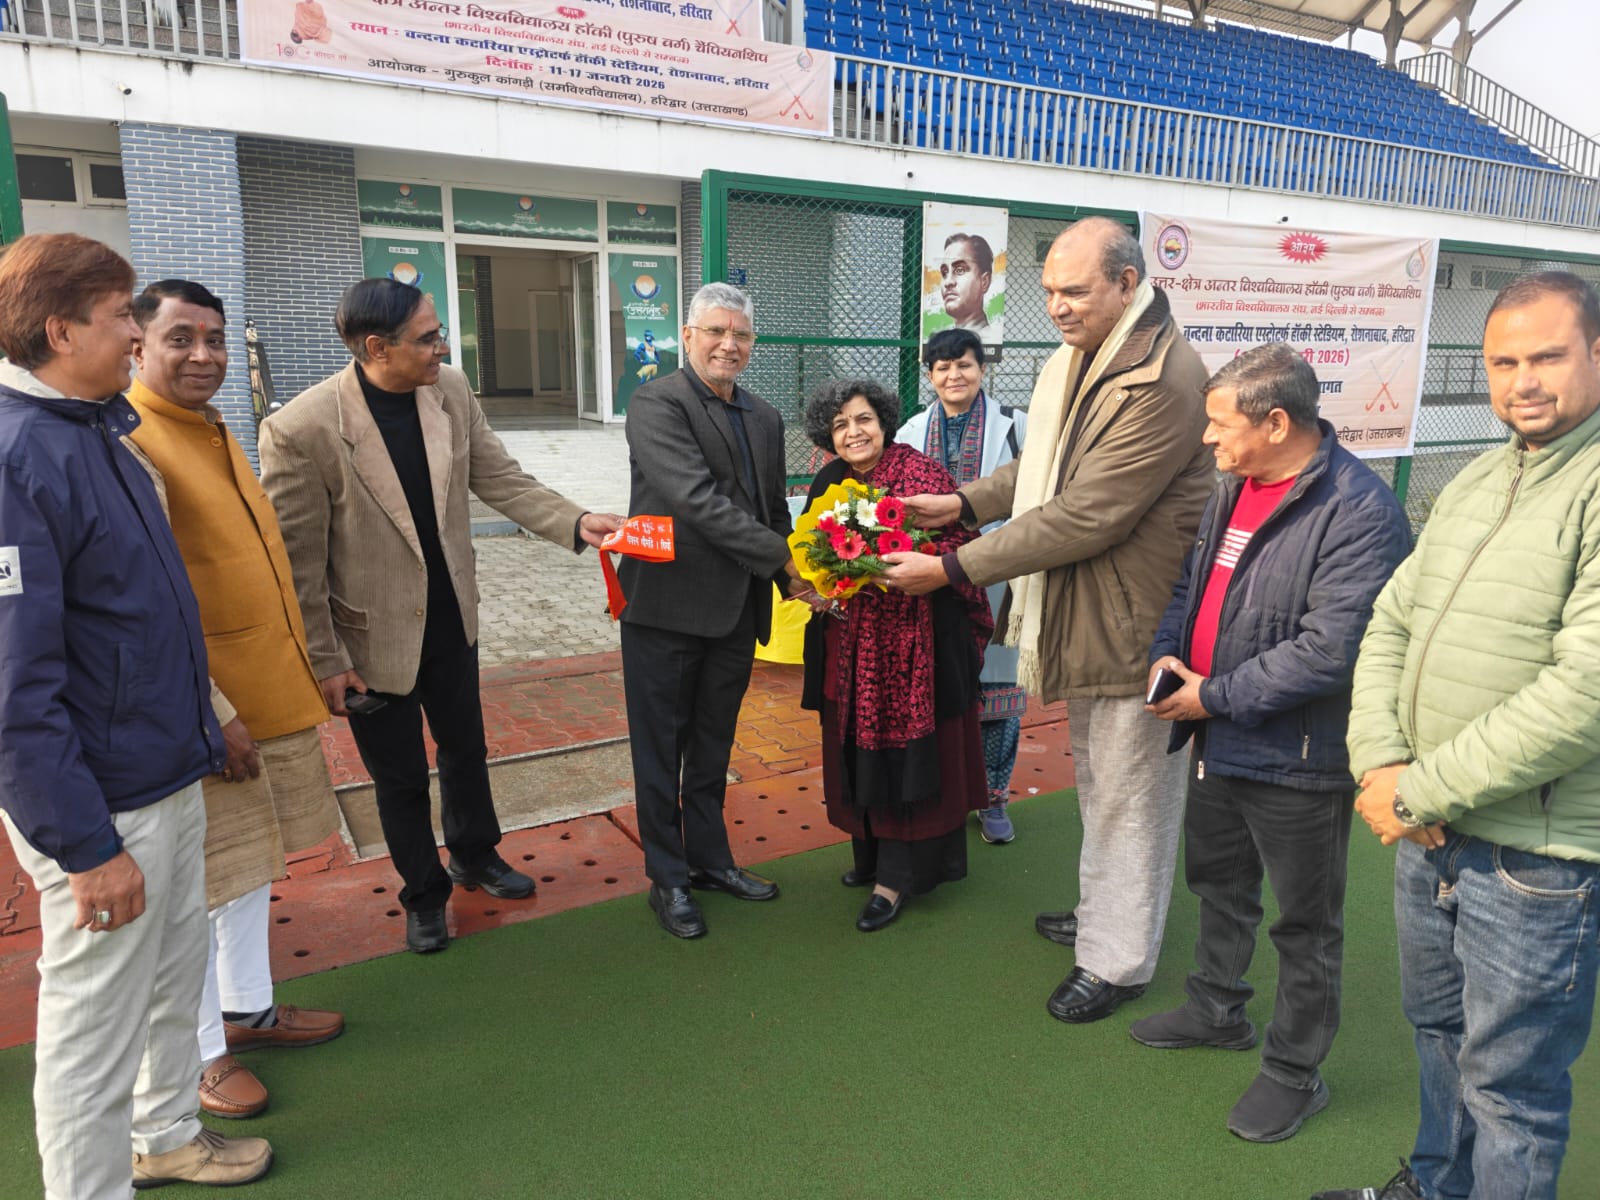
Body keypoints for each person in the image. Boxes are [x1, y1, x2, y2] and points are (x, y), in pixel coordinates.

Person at [882, 215, 1211, 1023]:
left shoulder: (1162, 376)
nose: (1058, 306)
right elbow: (1044, 467)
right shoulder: (1094, 355)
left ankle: (1118, 958)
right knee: (1102, 779)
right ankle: (1105, 914)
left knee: (1131, 791)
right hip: (1094, 606)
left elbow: (1088, 511)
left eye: (1075, 291)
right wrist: (961, 502)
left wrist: (951, 565)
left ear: (1128, 284)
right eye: (1050, 291)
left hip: (1138, 619)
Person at [1314, 273, 1600, 1200]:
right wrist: (1380, 761)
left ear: (1597, 354)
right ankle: (1437, 1184)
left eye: (1547, 356)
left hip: (1535, 856)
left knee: (1511, 1089)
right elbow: (1391, 623)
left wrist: (1417, 789)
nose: (1523, 381)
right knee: (1438, 1037)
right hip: (1429, 832)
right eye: (1503, 362)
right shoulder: (1480, 476)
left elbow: (1586, 691)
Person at [0, 233, 271, 1193]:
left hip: (163, 770)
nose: (136, 334)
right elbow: (12, 687)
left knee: (170, 974)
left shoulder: (93, 431)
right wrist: (85, 846)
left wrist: (203, 725)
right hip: (104, 800)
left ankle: (164, 1138)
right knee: (93, 1023)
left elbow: (137, 614)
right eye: (123, 317)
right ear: (59, 330)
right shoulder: (19, 456)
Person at [258, 279, 621, 955]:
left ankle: (475, 855)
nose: (443, 348)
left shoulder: (449, 391)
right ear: (377, 348)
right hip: (371, 639)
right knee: (398, 777)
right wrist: (327, 660)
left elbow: (501, 477)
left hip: (452, 618)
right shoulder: (302, 429)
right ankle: (423, 894)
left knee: (465, 750)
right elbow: (297, 564)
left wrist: (576, 521)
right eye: (428, 338)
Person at [1139, 344, 1410, 1143]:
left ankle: (1295, 1073)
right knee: (1219, 883)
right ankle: (1216, 1008)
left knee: (1305, 925)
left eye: (1220, 424)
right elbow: (1191, 588)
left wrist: (1211, 695)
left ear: (1277, 422)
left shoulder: (1360, 511)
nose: (1208, 438)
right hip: (1217, 737)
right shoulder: (1232, 485)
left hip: (1297, 757)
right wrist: (1167, 652)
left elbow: (1330, 651)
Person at [126, 279, 345, 1122]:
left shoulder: (212, 427)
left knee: (251, 870)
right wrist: (212, 713)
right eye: (180, 338)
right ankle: (199, 1056)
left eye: (215, 339)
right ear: (136, 346)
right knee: (201, 887)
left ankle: (248, 1008)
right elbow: (151, 605)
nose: (203, 355)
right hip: (210, 710)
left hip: (265, 690)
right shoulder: (134, 440)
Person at [619, 281, 799, 939]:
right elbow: (696, 501)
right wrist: (782, 560)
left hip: (734, 610)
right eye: (716, 331)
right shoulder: (656, 403)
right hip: (665, 608)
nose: (729, 344)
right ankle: (667, 878)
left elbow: (772, 507)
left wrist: (793, 581)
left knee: (713, 744)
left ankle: (710, 860)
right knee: (660, 751)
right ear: (689, 336)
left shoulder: (765, 416)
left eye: (741, 335)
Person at [800, 379, 992, 931]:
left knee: (906, 752)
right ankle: (868, 855)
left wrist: (909, 563)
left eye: (863, 419)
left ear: (884, 421)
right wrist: (817, 586)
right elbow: (810, 551)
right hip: (850, 646)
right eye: (840, 425)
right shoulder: (830, 480)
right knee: (853, 744)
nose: (853, 433)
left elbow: (960, 547)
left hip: (914, 646)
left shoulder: (921, 473)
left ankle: (897, 877)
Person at [896, 327, 1026, 844]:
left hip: (998, 573)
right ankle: (944, 793)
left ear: (982, 369)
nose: (954, 375)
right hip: (932, 581)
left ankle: (994, 798)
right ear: (930, 375)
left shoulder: (1016, 425)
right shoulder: (909, 431)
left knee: (998, 688)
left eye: (964, 364)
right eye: (943, 367)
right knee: (936, 685)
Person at [938, 233, 994, 334]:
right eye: (945, 273)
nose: (948, 282)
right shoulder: (944, 339)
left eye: (960, 270)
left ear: (984, 282)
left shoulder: (989, 337)